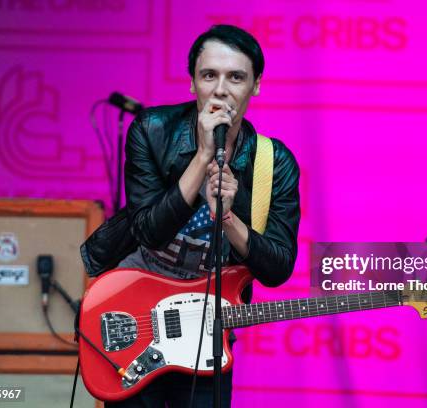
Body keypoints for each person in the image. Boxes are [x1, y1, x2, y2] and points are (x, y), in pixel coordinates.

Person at [81, 24, 300, 407]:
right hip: (134, 310)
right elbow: (148, 230)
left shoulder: (273, 163)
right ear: (192, 83)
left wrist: (228, 220)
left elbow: (278, 268)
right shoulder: (152, 130)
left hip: (205, 329)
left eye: (236, 77)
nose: (220, 89)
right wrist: (201, 157)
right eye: (208, 75)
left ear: (256, 85)